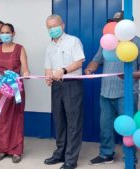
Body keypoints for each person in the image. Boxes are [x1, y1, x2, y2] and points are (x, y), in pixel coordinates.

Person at [85, 11, 140, 167]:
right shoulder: (107, 42)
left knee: (128, 128)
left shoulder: (137, 43)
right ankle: (106, 154)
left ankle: (130, 159)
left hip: (127, 94)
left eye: (118, 22)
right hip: (106, 93)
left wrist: (130, 75)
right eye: (113, 22)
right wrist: (90, 69)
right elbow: (95, 61)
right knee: (105, 127)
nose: (115, 25)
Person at [43, 14, 85, 169]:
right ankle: (60, 153)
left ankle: (71, 160)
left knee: (73, 122)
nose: (52, 29)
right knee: (59, 120)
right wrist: (47, 77)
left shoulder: (73, 41)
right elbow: (48, 67)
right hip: (56, 86)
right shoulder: (49, 46)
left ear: (63, 25)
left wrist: (63, 70)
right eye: (49, 27)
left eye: (55, 26)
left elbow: (79, 62)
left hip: (72, 84)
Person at [0, 23, 30, 163]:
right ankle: (1, 149)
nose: (5, 35)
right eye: (2, 32)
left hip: (15, 89)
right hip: (0, 89)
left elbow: (25, 69)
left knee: (16, 118)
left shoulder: (20, 49)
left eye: (7, 32)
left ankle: (16, 151)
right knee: (0, 118)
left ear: (13, 33)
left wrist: (25, 73)